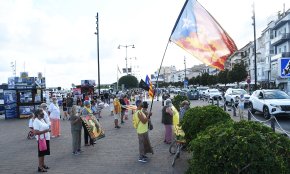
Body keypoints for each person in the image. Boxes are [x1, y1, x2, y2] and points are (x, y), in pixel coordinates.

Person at [33, 108, 51, 172]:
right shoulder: (36, 121)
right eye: (41, 112)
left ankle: (43, 164)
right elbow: (35, 132)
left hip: (45, 138)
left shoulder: (41, 119)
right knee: (41, 153)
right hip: (41, 139)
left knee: (44, 153)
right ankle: (40, 167)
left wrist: (48, 129)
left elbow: (45, 126)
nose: (43, 113)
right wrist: (46, 131)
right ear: (38, 114)